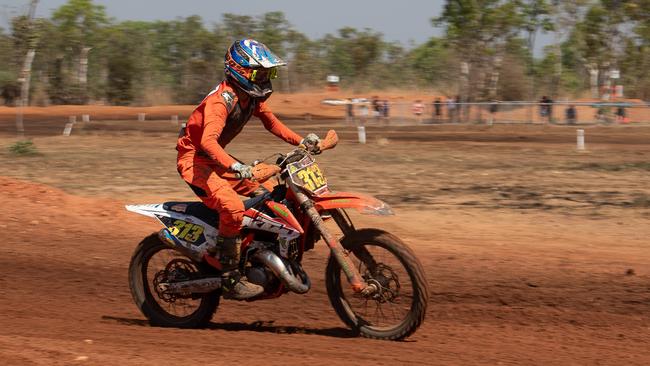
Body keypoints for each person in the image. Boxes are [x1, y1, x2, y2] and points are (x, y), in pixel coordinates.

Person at [176, 39, 321, 300]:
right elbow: (208, 142)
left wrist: (302, 141)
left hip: (217, 159)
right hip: (194, 160)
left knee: (270, 193)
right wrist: (238, 167)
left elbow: (272, 123)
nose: (265, 79)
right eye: (260, 73)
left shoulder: (251, 98)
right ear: (239, 71)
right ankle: (230, 276)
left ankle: (257, 250)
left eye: (268, 74)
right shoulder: (221, 102)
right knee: (232, 208)